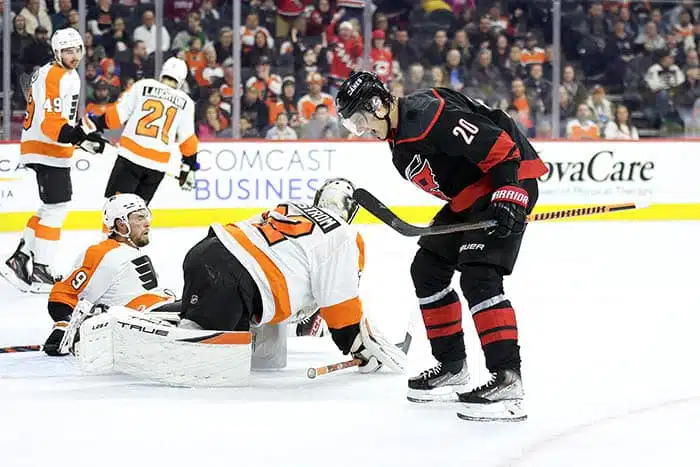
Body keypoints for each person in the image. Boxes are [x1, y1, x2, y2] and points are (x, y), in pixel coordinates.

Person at [335, 71, 548, 421]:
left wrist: (510, 192)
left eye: (361, 120)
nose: (362, 130)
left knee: (479, 277)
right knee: (428, 270)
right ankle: (452, 365)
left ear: (377, 104)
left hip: (507, 177)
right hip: (472, 193)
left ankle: (508, 380)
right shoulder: (399, 138)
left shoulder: (429, 116)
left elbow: (499, 146)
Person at [68, 179, 406, 385]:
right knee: (204, 363)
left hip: (211, 255)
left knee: (263, 356)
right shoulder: (344, 235)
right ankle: (114, 325)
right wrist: (357, 346)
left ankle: (150, 315)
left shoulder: (293, 208)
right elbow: (341, 309)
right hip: (232, 281)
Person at [1, 28, 109, 294]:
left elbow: (61, 121)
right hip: (46, 149)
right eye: (67, 51)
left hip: (49, 149)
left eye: (77, 50)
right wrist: (79, 136)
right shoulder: (56, 75)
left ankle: (20, 259)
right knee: (57, 207)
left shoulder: (62, 73)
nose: (73, 56)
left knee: (50, 208)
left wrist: (81, 139)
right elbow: (52, 125)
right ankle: (40, 269)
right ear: (56, 52)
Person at [43, 193, 175, 356]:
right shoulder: (101, 252)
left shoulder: (129, 250)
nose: (147, 223)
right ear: (121, 225)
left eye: (146, 216)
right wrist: (64, 326)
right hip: (147, 321)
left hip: (164, 313)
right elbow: (62, 296)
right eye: (139, 218)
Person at [88, 57, 199, 205]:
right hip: (157, 167)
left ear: (163, 72)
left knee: (116, 211)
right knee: (138, 215)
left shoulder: (142, 85)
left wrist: (96, 124)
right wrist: (188, 167)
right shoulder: (187, 102)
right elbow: (188, 141)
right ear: (182, 80)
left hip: (130, 159)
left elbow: (115, 117)